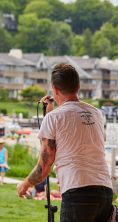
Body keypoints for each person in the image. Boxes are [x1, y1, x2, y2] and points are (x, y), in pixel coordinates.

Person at [17, 63, 113, 222]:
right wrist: (51, 113)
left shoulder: (54, 118)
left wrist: (25, 185)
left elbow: (44, 168)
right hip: (104, 191)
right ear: (79, 86)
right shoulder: (96, 113)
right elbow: (75, 132)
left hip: (78, 192)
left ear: (55, 89)